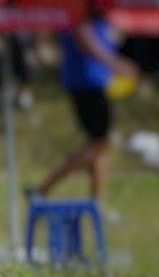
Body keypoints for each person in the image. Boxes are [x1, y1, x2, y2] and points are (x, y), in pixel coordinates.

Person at [34, 17, 132, 208]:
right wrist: (116, 64)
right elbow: (85, 41)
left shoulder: (95, 15)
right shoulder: (80, 14)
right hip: (87, 82)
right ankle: (43, 189)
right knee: (99, 145)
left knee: (101, 146)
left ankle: (97, 204)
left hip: (95, 81)